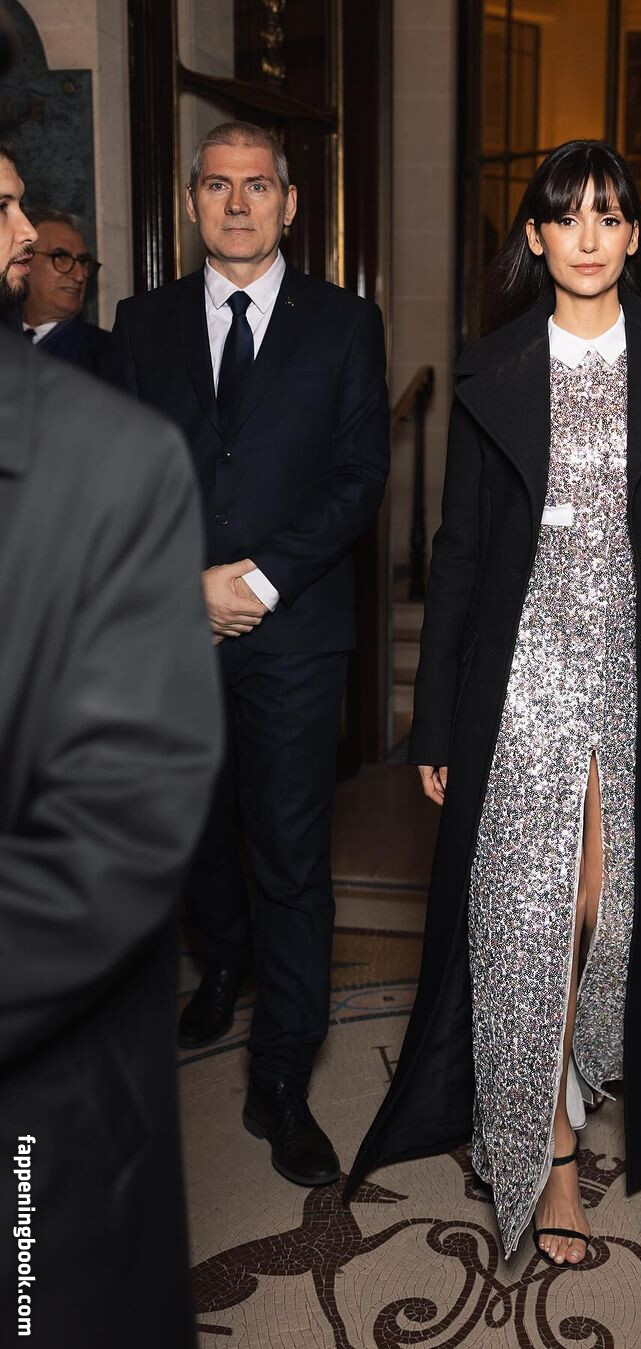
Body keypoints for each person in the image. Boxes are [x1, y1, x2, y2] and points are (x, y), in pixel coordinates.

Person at [346, 140, 641, 1265]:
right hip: (523, 677)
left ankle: (573, 1070)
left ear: (634, 235)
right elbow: (459, 555)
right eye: (567, 215)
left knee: (607, 910)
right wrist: (434, 719)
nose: (589, 235)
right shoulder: (491, 367)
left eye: (610, 215)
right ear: (536, 238)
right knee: (529, 912)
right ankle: (549, 1155)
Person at [111, 121, 390, 1188]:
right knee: (190, 830)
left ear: (289, 202)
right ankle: (221, 957)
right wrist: (184, 585)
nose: (237, 203)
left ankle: (281, 1078)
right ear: (192, 201)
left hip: (297, 633)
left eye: (258, 185)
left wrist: (258, 580)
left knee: (290, 853)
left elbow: (359, 476)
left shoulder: (345, 323)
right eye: (218, 185)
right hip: (169, 625)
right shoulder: (140, 323)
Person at [0, 142, 222, 1349]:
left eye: (15, 205)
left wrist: (256, 584)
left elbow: (117, 835)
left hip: (37, 1113)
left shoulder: (108, 461)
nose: (26, 235)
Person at [21, 207, 113, 373]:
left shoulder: (110, 355)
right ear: (21, 261)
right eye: (61, 257)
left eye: (83, 261)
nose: (80, 276)